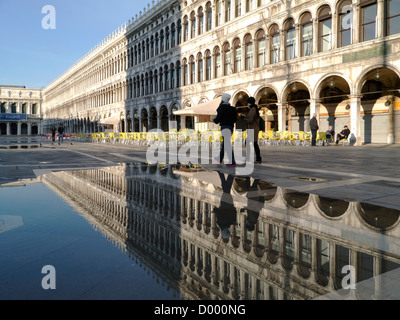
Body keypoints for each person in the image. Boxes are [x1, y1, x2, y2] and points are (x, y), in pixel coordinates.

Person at [213, 93, 237, 167]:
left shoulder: (221, 108)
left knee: (227, 144)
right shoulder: (233, 109)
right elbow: (235, 120)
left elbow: (217, 120)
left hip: (224, 127)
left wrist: (214, 119)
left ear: (223, 99)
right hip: (230, 127)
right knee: (225, 143)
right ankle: (219, 159)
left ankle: (232, 161)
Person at [213, 173, 237, 240]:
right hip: (223, 204)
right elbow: (218, 212)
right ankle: (231, 175)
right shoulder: (220, 222)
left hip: (230, 204)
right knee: (226, 190)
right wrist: (215, 210)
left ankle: (221, 174)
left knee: (226, 190)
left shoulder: (232, 221)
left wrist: (232, 208)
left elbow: (235, 212)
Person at [243, 97, 262, 164]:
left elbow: (250, 120)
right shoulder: (255, 108)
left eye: (247, 103)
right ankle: (257, 158)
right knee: (254, 143)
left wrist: (244, 118)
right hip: (254, 128)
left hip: (253, 129)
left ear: (249, 103)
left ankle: (253, 158)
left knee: (249, 143)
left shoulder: (252, 109)